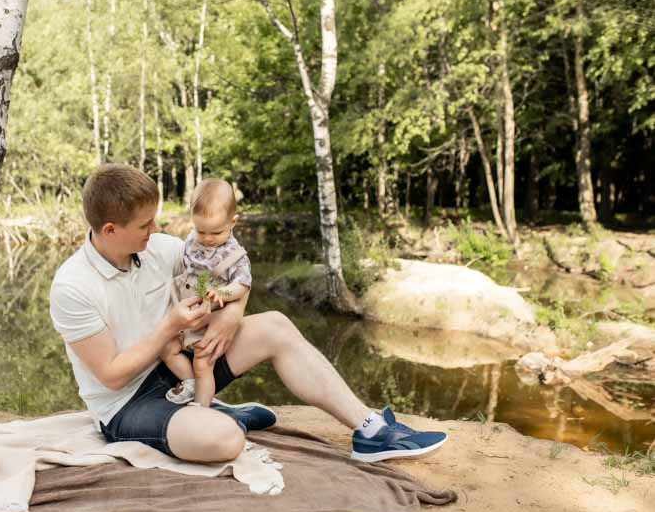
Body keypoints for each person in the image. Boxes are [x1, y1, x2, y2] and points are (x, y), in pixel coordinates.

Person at [49, 164, 447, 464]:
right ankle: (217, 416)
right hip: (128, 405)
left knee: (275, 324)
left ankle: (370, 430)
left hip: (181, 368)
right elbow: (111, 375)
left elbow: (236, 277)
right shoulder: (73, 287)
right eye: (144, 224)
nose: (156, 228)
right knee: (224, 441)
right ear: (110, 229)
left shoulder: (160, 249)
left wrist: (230, 316)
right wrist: (169, 326)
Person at [161, 178, 252, 407]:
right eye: (201, 231)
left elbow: (243, 284)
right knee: (165, 347)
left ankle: (203, 408)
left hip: (210, 320)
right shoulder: (192, 241)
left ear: (233, 222)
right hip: (184, 315)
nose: (208, 238)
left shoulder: (235, 255)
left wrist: (223, 292)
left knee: (203, 363)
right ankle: (190, 383)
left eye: (216, 232)